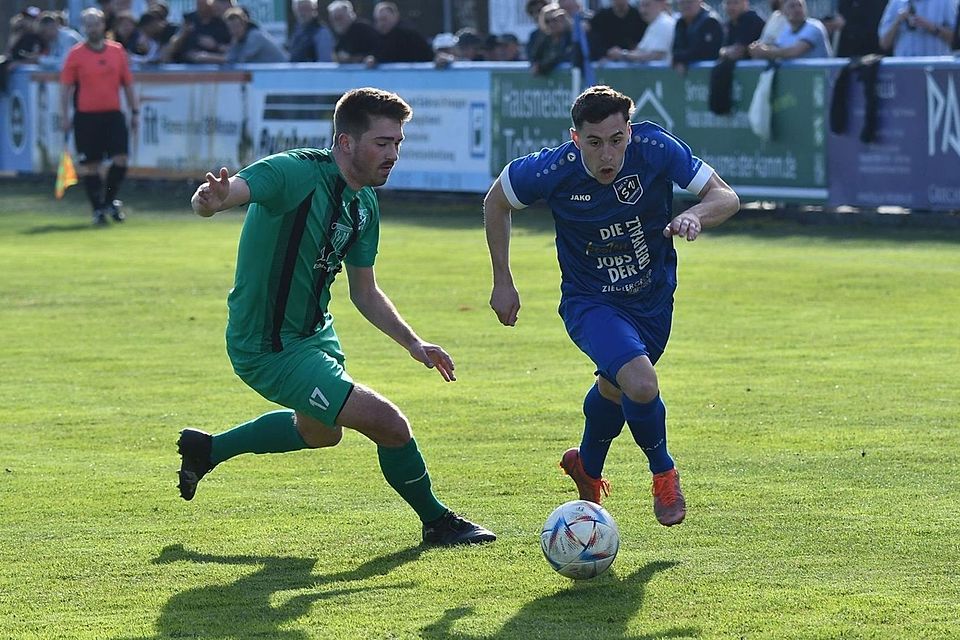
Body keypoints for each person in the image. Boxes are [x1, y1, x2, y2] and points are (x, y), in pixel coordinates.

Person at [179, 87, 496, 548]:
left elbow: (364, 291)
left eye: (398, 144)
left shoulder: (364, 203)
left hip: (315, 338)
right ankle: (437, 521)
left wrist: (412, 342)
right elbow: (226, 195)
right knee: (390, 424)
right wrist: (211, 200)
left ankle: (208, 449)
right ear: (346, 142)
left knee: (321, 434)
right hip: (269, 347)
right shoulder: (293, 172)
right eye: (382, 143)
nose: (393, 154)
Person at [482, 85, 739, 527]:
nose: (608, 155)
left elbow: (725, 197)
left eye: (617, 140)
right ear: (575, 137)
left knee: (614, 388)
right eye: (595, 143)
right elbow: (496, 202)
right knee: (640, 383)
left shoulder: (655, 147)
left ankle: (587, 466)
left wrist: (695, 215)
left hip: (653, 298)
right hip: (590, 301)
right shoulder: (551, 169)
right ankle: (664, 472)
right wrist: (503, 279)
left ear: (630, 133)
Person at [60, 8, 139, 226]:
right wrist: (65, 116)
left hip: (113, 115)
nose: (93, 28)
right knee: (90, 165)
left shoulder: (116, 51)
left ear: (103, 25)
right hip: (86, 117)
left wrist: (134, 111)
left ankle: (108, 201)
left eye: (96, 23)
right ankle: (98, 209)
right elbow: (66, 88)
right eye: (88, 24)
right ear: (84, 27)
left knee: (121, 159)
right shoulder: (76, 54)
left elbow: (128, 84)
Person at [749, 0, 832, 60]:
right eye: (792, 6)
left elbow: (794, 51)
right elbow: (777, 48)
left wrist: (765, 52)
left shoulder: (814, 27)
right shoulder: (786, 31)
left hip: (818, 80)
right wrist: (758, 49)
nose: (797, 9)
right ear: (783, 11)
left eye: (800, 5)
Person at [365, 1, 434, 65]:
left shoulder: (410, 35)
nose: (381, 24)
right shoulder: (376, 38)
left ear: (396, 16)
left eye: (384, 19)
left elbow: (428, 56)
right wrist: (372, 59)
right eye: (377, 20)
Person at [878, 0, 956, 56]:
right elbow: (884, 44)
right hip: (903, 69)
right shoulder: (896, 3)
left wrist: (929, 26)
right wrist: (898, 21)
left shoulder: (946, 2)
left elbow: (956, 39)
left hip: (936, 69)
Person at [672, 0, 724, 72]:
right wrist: (678, 60)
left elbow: (705, 53)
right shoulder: (680, 23)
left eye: (689, 2)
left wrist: (679, 59)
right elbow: (676, 48)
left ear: (700, 1)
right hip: (691, 76)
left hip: (711, 74)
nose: (686, 5)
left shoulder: (710, 21)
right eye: (682, 2)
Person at [224, 8, 289, 63]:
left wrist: (215, 58)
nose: (234, 31)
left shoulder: (255, 36)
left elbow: (238, 60)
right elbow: (231, 57)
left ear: (244, 25)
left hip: (285, 71)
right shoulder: (238, 39)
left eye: (236, 26)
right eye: (230, 28)